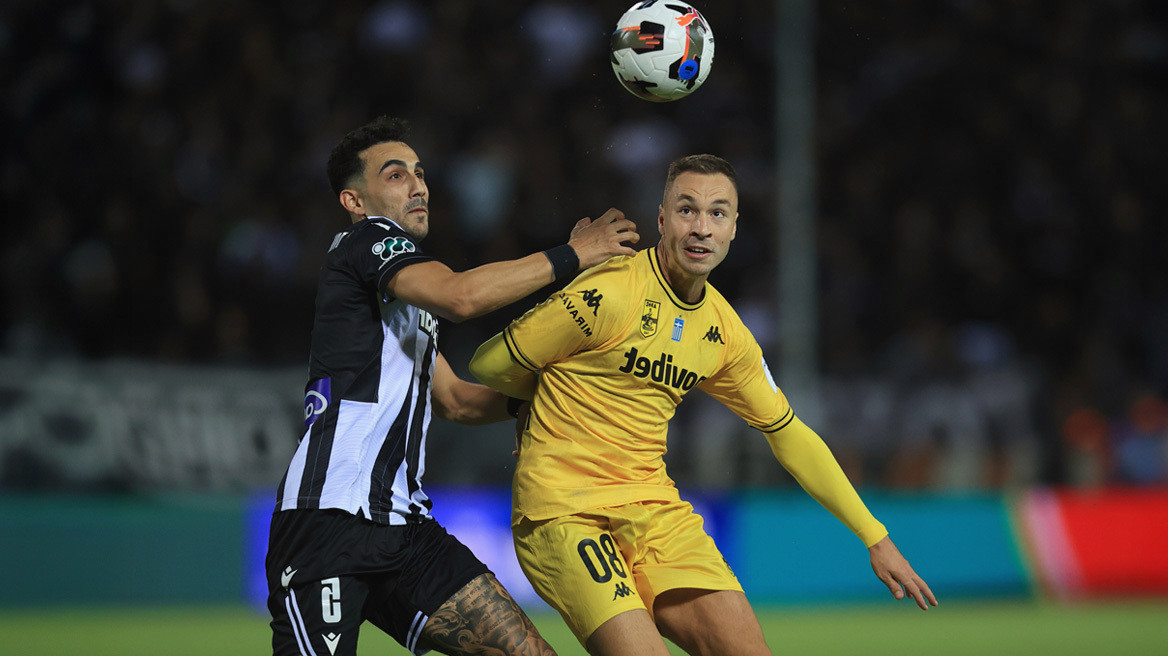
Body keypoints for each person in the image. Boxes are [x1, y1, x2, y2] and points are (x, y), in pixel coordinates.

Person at [468, 154, 937, 656]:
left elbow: (788, 433)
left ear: (734, 228)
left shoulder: (724, 332)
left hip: (654, 508)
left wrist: (875, 537)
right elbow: (489, 364)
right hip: (564, 508)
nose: (701, 228)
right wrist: (543, 399)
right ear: (662, 219)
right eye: (687, 209)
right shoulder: (610, 289)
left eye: (717, 213)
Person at [265, 115, 640, 656]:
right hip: (328, 520)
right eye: (396, 175)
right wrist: (574, 254)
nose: (418, 185)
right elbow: (461, 297)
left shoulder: (405, 301)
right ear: (354, 201)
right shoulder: (366, 241)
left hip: (404, 528)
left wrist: (553, 394)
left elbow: (456, 401)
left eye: (419, 173)